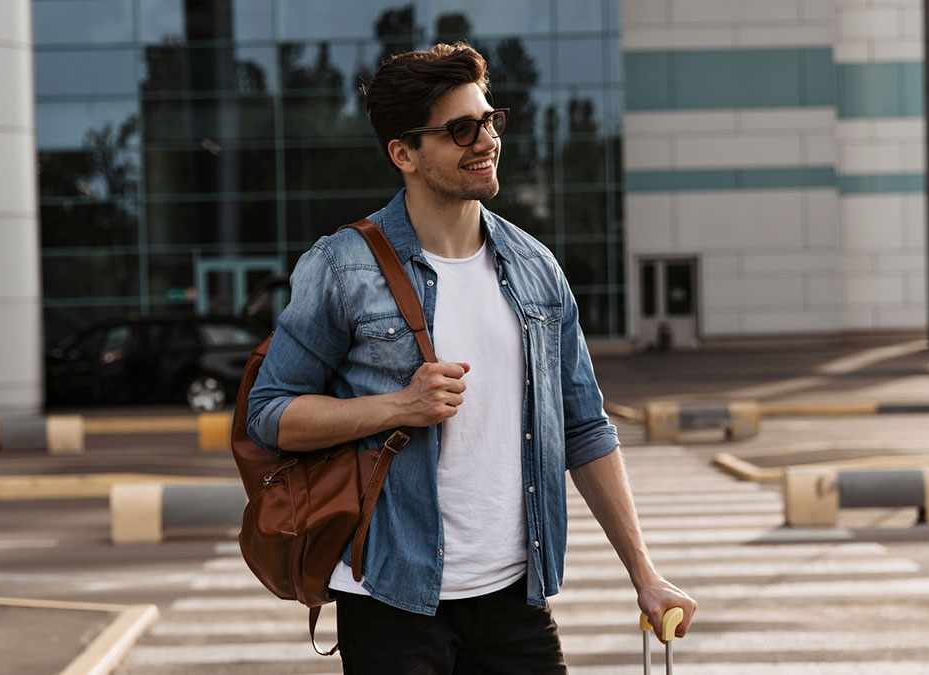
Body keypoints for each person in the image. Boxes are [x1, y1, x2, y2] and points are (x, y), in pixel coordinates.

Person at [246, 41, 696, 674]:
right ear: (404, 153)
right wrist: (397, 406)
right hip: (391, 597)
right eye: (461, 129)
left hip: (516, 595)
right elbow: (270, 413)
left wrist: (645, 574)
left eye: (489, 120)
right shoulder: (342, 267)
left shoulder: (536, 269)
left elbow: (585, 428)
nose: (485, 139)